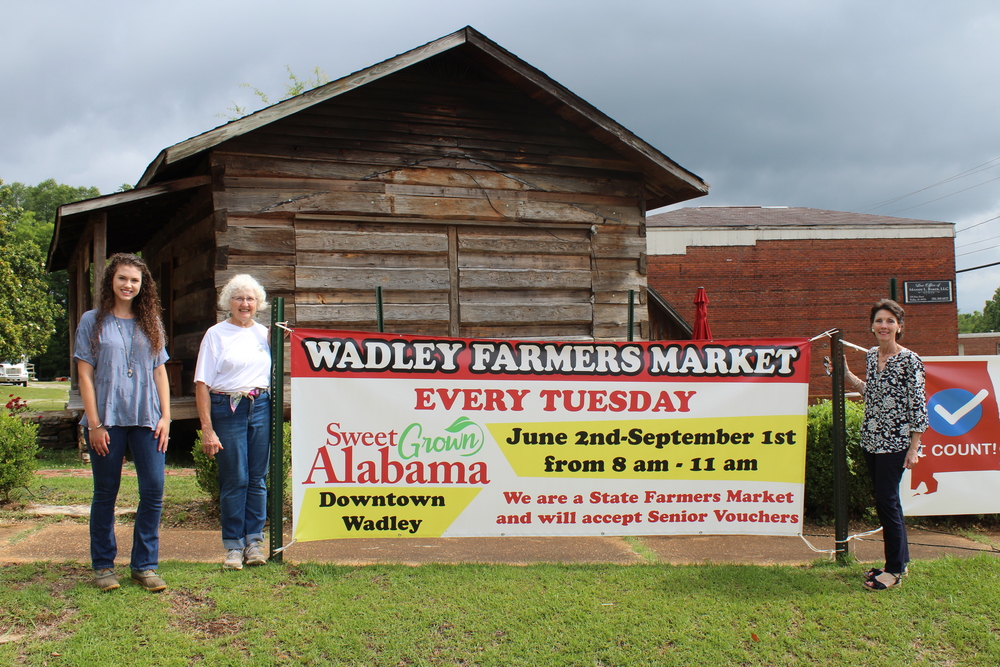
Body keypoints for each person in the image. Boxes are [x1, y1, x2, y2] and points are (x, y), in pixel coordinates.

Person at [75, 253, 171, 592]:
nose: (128, 285)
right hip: (108, 419)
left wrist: (167, 417)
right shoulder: (92, 321)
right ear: (110, 282)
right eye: (122, 279)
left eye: (134, 280)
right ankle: (103, 566)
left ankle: (144, 566)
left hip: (147, 419)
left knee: (154, 490)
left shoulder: (151, 322)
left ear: (143, 285)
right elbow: (85, 374)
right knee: (105, 493)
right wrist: (95, 424)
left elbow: (160, 371)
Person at [837, 298, 928, 591]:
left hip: (896, 443)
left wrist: (914, 448)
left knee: (886, 503)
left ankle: (893, 571)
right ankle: (899, 561)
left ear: (899, 326)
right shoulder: (872, 355)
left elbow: (918, 407)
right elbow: (871, 393)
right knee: (889, 502)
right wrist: (845, 374)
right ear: (872, 326)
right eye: (879, 321)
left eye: (890, 321)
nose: (883, 326)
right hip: (872, 439)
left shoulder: (910, 360)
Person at [194, 275, 272, 570]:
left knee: (257, 479)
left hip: (260, 406)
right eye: (239, 298)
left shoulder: (265, 334)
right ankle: (232, 546)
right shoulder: (216, 334)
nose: (245, 303)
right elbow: (202, 384)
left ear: (258, 303)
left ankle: (254, 542)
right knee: (234, 478)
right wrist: (207, 428)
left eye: (250, 298)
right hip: (227, 407)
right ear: (229, 301)